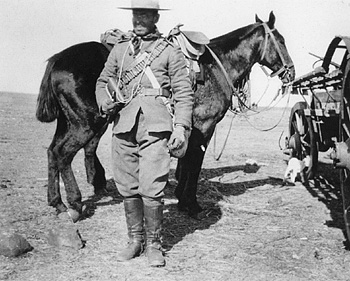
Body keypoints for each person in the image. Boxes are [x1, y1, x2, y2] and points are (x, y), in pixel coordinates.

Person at [95, 0, 194, 267]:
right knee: (126, 185)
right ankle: (135, 241)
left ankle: (154, 245)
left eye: (145, 14)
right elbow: (104, 81)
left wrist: (181, 127)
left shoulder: (169, 52)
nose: (138, 19)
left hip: (156, 125)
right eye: (136, 14)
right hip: (124, 124)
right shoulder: (120, 49)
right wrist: (105, 101)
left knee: (152, 186)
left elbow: (184, 93)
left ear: (155, 17)